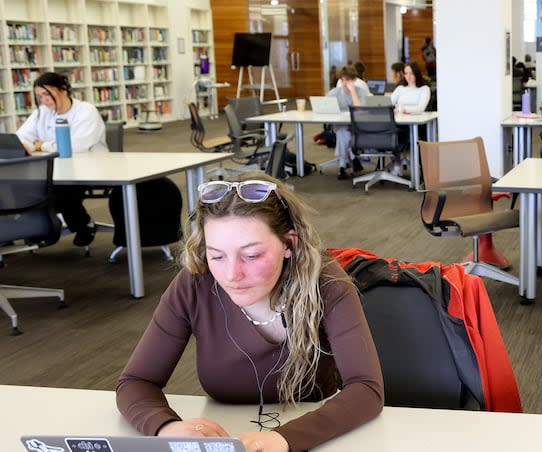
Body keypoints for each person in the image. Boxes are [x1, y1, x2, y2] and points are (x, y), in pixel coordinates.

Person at [116, 173, 384, 452]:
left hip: (315, 438)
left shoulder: (326, 283)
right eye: (217, 255)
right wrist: (165, 427)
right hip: (226, 434)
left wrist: (283, 438)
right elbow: (136, 381)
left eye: (252, 255)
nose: (232, 274)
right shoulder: (194, 283)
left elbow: (366, 388)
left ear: (289, 245)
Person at [16, 71, 107, 247]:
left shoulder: (86, 111)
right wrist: (28, 144)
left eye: (47, 94)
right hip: (55, 166)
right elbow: (21, 137)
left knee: (59, 189)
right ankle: (34, 227)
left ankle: (83, 224)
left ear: (63, 90)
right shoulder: (42, 113)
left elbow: (78, 145)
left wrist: (41, 145)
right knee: (21, 186)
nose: (44, 100)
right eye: (39, 96)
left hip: (88, 167)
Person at [328, 65, 369, 180]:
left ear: (354, 79)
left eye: (349, 79)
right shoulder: (335, 92)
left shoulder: (360, 92)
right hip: (341, 124)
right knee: (342, 131)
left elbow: (360, 110)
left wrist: (353, 92)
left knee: (342, 133)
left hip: (358, 126)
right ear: (341, 80)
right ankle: (351, 156)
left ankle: (343, 165)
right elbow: (324, 106)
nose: (346, 82)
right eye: (344, 79)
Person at [390, 62, 431, 176]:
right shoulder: (400, 89)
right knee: (391, 133)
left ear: (417, 74)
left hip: (416, 126)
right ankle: (396, 165)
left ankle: (417, 171)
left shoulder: (424, 89)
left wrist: (402, 108)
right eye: (406, 73)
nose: (408, 76)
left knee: (398, 136)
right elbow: (389, 103)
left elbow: (420, 108)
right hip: (399, 123)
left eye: (411, 73)